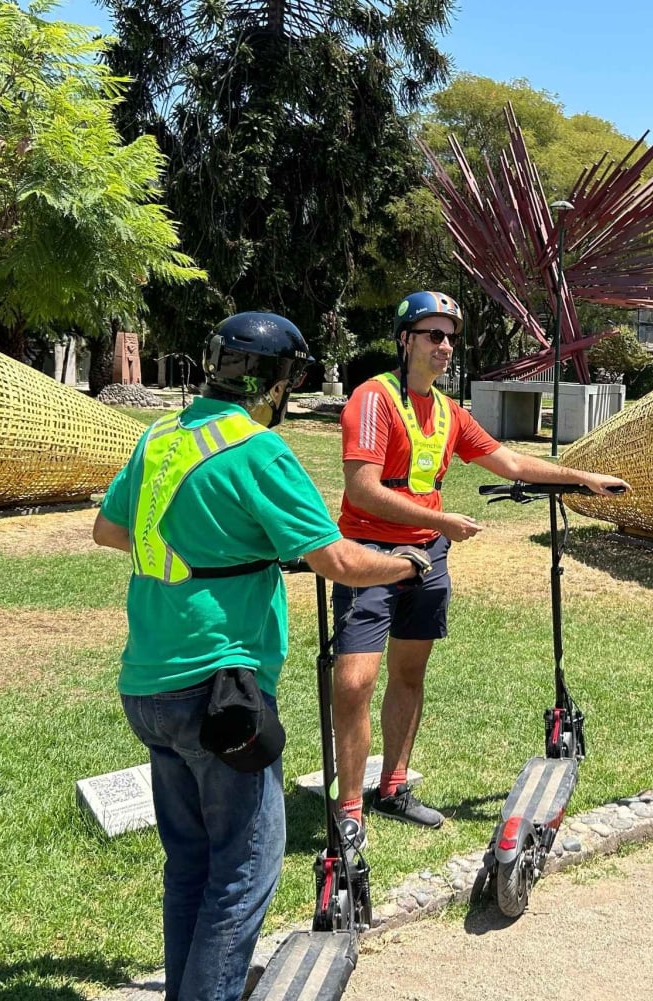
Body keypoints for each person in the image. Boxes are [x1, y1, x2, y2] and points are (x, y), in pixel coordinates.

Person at [91, 312, 431, 1001]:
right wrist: (403, 564)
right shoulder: (256, 449)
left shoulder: (159, 437)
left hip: (149, 684)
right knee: (246, 869)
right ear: (277, 384)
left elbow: (109, 529)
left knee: (189, 862)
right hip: (220, 690)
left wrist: (221, 549)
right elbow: (337, 559)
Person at [333, 290, 629, 831]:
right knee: (354, 682)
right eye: (433, 335)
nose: (445, 346)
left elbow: (510, 460)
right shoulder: (372, 399)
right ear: (405, 340)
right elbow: (363, 488)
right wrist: (445, 523)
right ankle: (349, 809)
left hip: (425, 557)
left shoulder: (447, 411)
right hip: (370, 552)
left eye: (450, 337)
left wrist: (581, 477)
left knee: (409, 673)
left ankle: (393, 787)